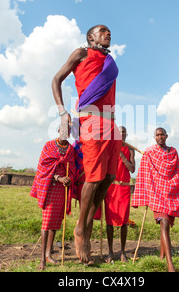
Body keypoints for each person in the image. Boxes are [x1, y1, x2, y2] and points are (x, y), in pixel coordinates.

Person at [51, 24, 122, 264]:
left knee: (109, 177)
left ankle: (87, 224)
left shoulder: (109, 62)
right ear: (91, 37)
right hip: (91, 120)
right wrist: (62, 112)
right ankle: (81, 229)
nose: (108, 33)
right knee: (93, 177)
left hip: (111, 122)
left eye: (109, 31)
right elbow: (56, 79)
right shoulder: (81, 53)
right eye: (103, 31)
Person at [132, 127, 179, 272]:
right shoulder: (149, 152)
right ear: (154, 137)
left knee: (166, 225)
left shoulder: (173, 152)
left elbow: (177, 172)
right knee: (164, 224)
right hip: (156, 193)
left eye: (162, 134)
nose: (160, 137)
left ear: (166, 136)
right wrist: (145, 194)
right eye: (157, 135)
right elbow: (143, 173)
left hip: (171, 192)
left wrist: (177, 189)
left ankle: (161, 256)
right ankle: (170, 265)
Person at [30, 128, 76, 270]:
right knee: (47, 223)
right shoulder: (48, 146)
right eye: (62, 130)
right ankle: (42, 259)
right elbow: (43, 168)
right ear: (58, 131)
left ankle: (49, 255)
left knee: (55, 222)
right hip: (51, 188)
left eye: (67, 131)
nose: (65, 133)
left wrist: (69, 179)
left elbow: (73, 168)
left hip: (62, 190)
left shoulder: (70, 150)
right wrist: (58, 177)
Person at [104, 126, 135, 263]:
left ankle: (122, 252)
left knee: (124, 221)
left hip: (124, 188)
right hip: (111, 188)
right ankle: (110, 252)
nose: (121, 134)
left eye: (123, 132)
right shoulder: (110, 148)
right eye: (119, 132)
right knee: (109, 221)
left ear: (126, 134)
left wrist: (122, 156)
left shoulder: (130, 149)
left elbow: (132, 169)